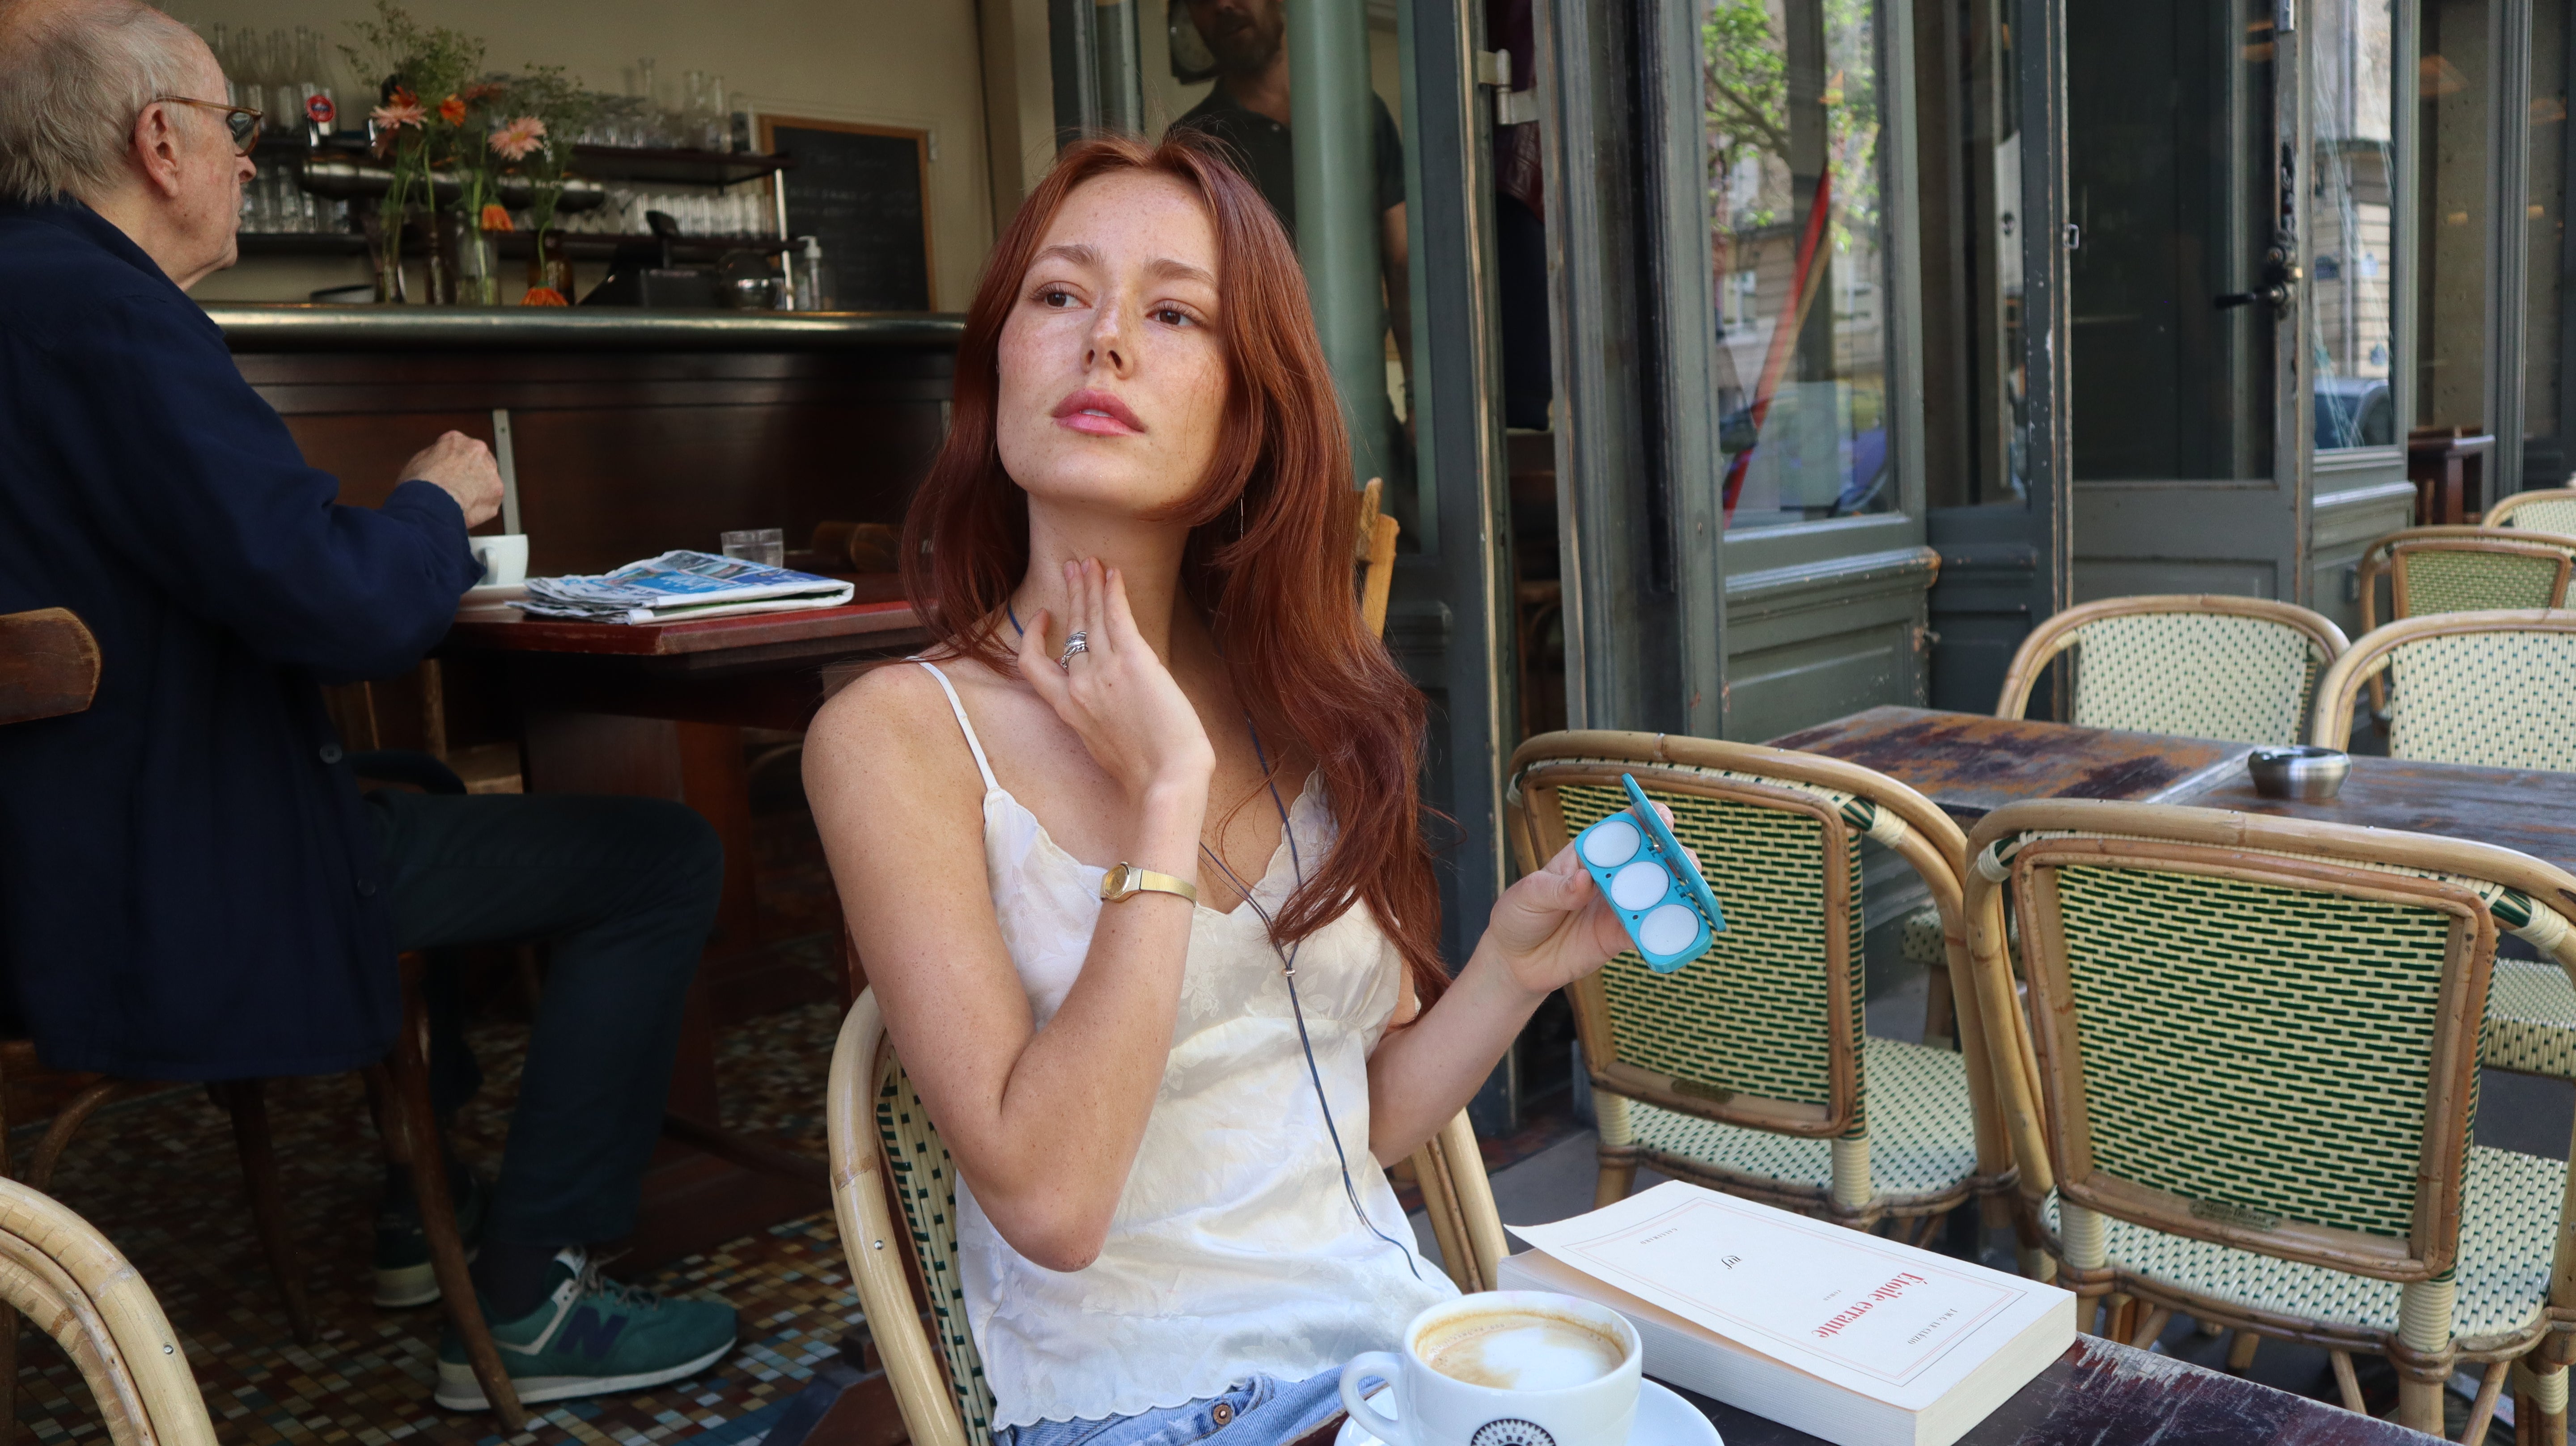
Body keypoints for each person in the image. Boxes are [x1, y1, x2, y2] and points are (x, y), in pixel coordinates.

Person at [803, 132, 1645, 1446]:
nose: (1107, 343)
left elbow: (1344, 1127)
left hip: (1399, 1363)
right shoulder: (896, 737)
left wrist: (1513, 968)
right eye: (1061, 295)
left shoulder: (1305, 702)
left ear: (1248, 411)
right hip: (1151, 1408)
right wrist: (1166, 797)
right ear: (998, 363)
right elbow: (1052, 1203)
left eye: (1174, 311)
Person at [0, 0, 736, 1411]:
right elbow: (342, 607)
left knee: (434, 797)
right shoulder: (111, 316)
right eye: (233, 128)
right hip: (173, 880)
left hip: (51, 862)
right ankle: (531, 1292)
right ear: (159, 142)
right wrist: (434, 502)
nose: (242, 158)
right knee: (660, 857)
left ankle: (424, 1201)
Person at [1170, 0, 1412, 451]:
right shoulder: (1193, 148)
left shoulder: (1359, 113)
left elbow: (1402, 265)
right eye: (1202, 0)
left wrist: (1420, 400)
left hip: (1366, 407)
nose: (1223, 5)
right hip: (1260, 430)